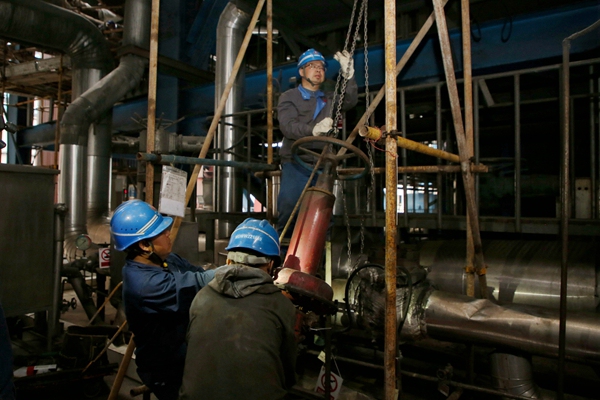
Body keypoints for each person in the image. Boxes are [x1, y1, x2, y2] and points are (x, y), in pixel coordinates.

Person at [178, 218, 297, 400]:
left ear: (228, 259)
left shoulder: (201, 297)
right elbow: (288, 374)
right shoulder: (281, 306)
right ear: (272, 265)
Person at [110, 199, 215, 400]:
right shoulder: (145, 284)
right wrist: (237, 268)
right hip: (167, 370)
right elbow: (199, 282)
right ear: (144, 245)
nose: (168, 233)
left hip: (186, 354)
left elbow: (199, 273)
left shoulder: (167, 260)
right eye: (160, 231)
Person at [277, 48, 358, 240]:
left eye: (321, 67)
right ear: (301, 71)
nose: (318, 70)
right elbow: (288, 127)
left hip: (323, 163)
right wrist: (313, 130)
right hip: (296, 162)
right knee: (290, 208)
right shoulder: (289, 97)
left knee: (323, 216)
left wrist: (349, 76)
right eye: (312, 66)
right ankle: (284, 252)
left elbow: (349, 100)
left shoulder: (329, 98)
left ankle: (320, 256)